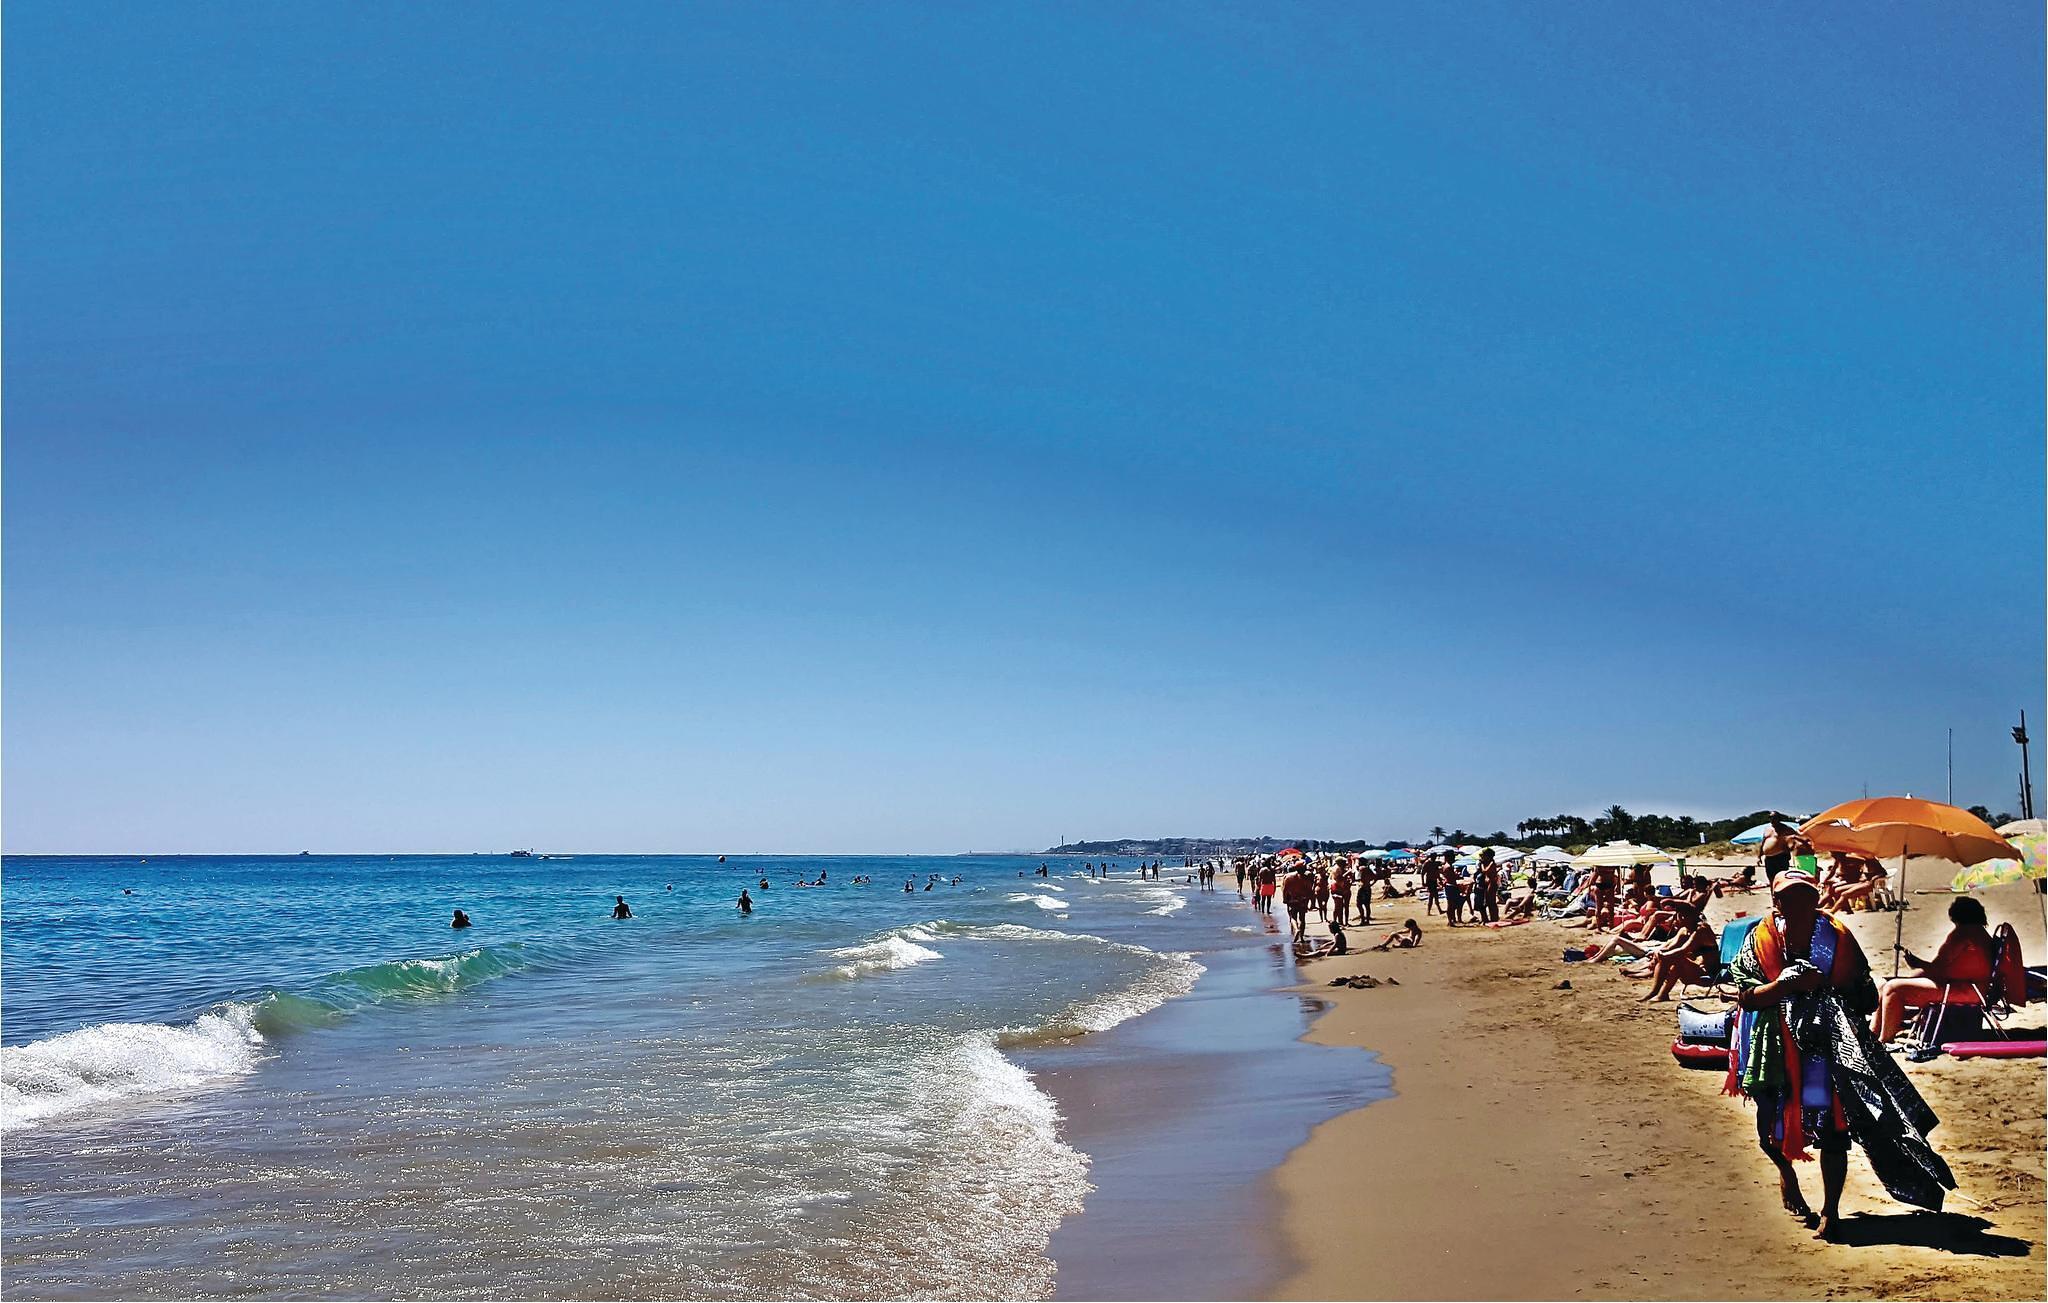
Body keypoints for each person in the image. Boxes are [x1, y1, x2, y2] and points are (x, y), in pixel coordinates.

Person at [1727, 867, 1951, 1238]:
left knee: (1833, 1130)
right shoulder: (1760, 939)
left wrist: (1826, 989)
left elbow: (1866, 997)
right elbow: (1746, 997)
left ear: (1816, 899)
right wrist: (1784, 985)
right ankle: (1787, 1175)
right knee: (1768, 1130)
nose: (1798, 903)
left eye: (1805, 895)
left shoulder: (1838, 938)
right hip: (1774, 1048)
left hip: (1827, 1049)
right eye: (1788, 896)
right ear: (1776, 901)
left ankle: (1831, 1211)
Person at [1874, 896, 1996, 1043]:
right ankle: (1875, 1033)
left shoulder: (1962, 934)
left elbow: (1938, 968)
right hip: (1972, 987)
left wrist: (1917, 963)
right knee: (1885, 985)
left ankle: (1884, 1039)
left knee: (1893, 988)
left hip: (1967, 990)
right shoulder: (1980, 933)